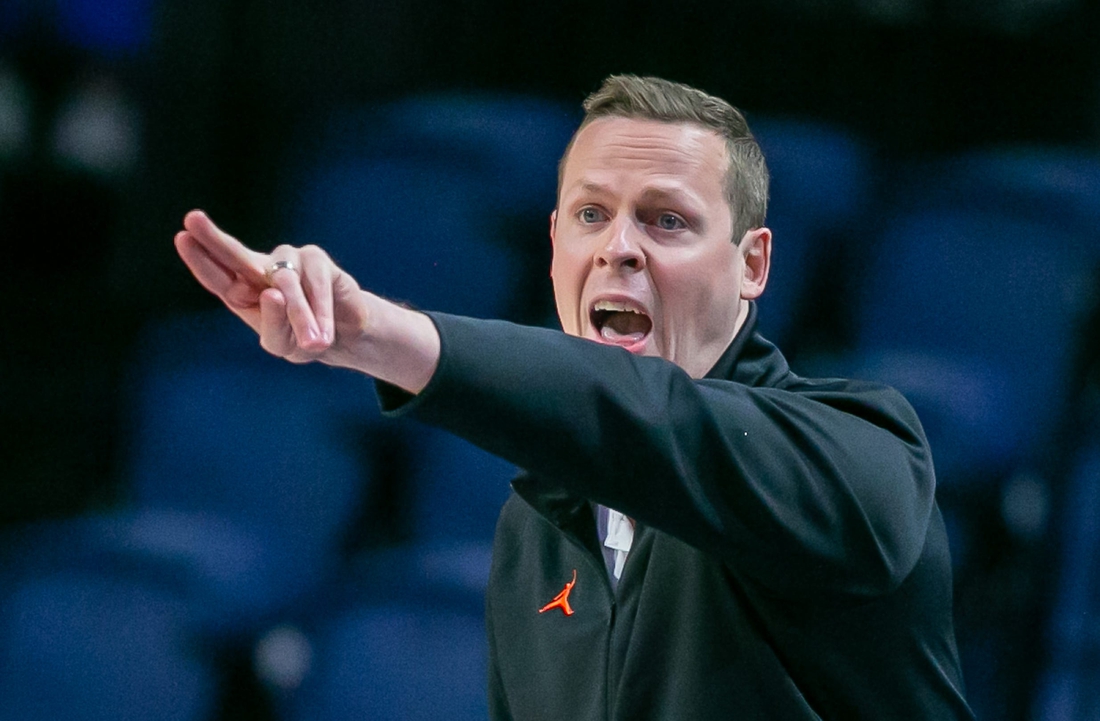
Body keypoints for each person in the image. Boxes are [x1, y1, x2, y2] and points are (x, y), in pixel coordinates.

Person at [175, 75, 974, 720]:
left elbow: (649, 418)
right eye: (591, 215)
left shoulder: (866, 453)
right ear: (555, 244)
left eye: (667, 220)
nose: (618, 248)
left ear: (753, 265)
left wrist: (382, 335)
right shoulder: (536, 532)